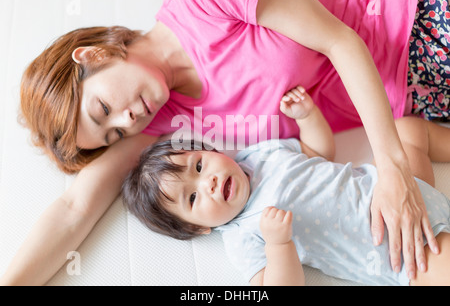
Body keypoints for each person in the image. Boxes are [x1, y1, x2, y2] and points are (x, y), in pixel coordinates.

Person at [3, 0, 449, 284]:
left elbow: (341, 41)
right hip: (422, 101)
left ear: (94, 55)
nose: (127, 119)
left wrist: (391, 172)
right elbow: (72, 209)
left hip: (416, 19)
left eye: (103, 107)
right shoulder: (168, 136)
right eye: (113, 132)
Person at [122, 88, 450, 286]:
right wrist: (279, 244)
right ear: (199, 228)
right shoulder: (244, 235)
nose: (206, 182)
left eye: (198, 165)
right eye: (192, 197)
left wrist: (308, 118)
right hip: (404, 250)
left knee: (407, 130)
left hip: (401, 187)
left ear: (214, 151)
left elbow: (318, 153)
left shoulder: (261, 153)